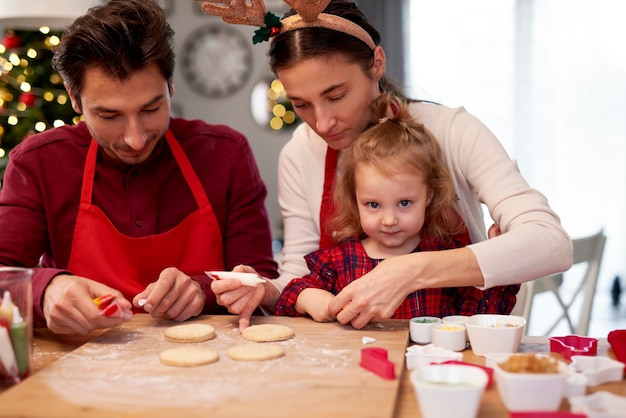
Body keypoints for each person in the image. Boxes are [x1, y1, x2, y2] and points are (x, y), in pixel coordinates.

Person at [202, 0, 572, 329]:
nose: (323, 122)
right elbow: (300, 275)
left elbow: (551, 243)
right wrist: (264, 291)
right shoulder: (300, 153)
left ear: (376, 63)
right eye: (302, 104)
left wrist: (408, 272)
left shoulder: (452, 130)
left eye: (337, 95)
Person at [0, 0, 278, 335]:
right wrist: (46, 290)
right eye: (109, 116)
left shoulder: (225, 154)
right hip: (82, 366)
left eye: (151, 108)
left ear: (170, 87)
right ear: (75, 100)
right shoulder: (37, 163)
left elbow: (259, 278)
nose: (135, 139)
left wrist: (201, 290)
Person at [274, 94, 519, 321]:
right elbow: (290, 295)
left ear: (429, 196)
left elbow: (481, 314)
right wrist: (308, 298)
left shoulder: (444, 256)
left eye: (404, 203)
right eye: (373, 205)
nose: (389, 219)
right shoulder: (339, 261)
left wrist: (499, 256)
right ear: (355, 200)